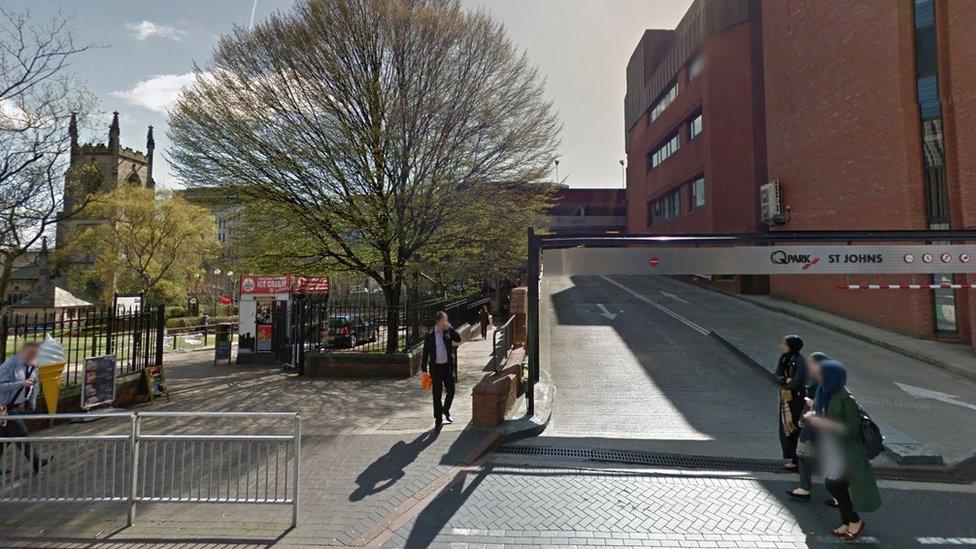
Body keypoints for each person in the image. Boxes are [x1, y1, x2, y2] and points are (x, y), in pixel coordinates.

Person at [804, 359, 880, 542]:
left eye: (822, 375)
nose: (819, 377)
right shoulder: (828, 393)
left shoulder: (847, 400)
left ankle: (854, 521)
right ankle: (847, 522)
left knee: (834, 484)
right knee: (834, 485)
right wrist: (814, 414)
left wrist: (822, 422)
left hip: (849, 453)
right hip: (835, 450)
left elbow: (850, 429)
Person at [786, 351, 832, 502]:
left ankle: (806, 488)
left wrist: (813, 407)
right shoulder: (815, 379)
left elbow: (827, 406)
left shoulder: (827, 383)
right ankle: (806, 488)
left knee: (806, 454)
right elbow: (809, 400)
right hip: (813, 422)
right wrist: (802, 416)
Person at [0, 342, 48, 474]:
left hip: (14, 408)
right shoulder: (10, 365)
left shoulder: (33, 366)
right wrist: (20, 384)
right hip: (3, 408)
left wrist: (30, 402)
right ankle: (36, 461)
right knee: (20, 433)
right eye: (31, 353)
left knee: (5, 436)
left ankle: (36, 461)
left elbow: (34, 385)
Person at [421, 311, 462, 428]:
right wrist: (424, 370)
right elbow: (425, 354)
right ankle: (438, 420)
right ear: (438, 322)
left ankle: (446, 410)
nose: (446, 322)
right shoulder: (430, 336)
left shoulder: (448, 332)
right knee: (437, 395)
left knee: (451, 391)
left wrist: (451, 328)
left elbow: (458, 339)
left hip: (447, 367)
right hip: (436, 369)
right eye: (445, 320)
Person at [775, 335, 807, 471]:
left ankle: (797, 460)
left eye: (784, 344)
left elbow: (796, 382)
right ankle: (792, 458)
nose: (781, 346)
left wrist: (787, 382)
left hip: (795, 400)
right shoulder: (784, 358)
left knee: (793, 427)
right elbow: (777, 375)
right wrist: (784, 380)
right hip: (785, 398)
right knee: (785, 428)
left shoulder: (801, 361)